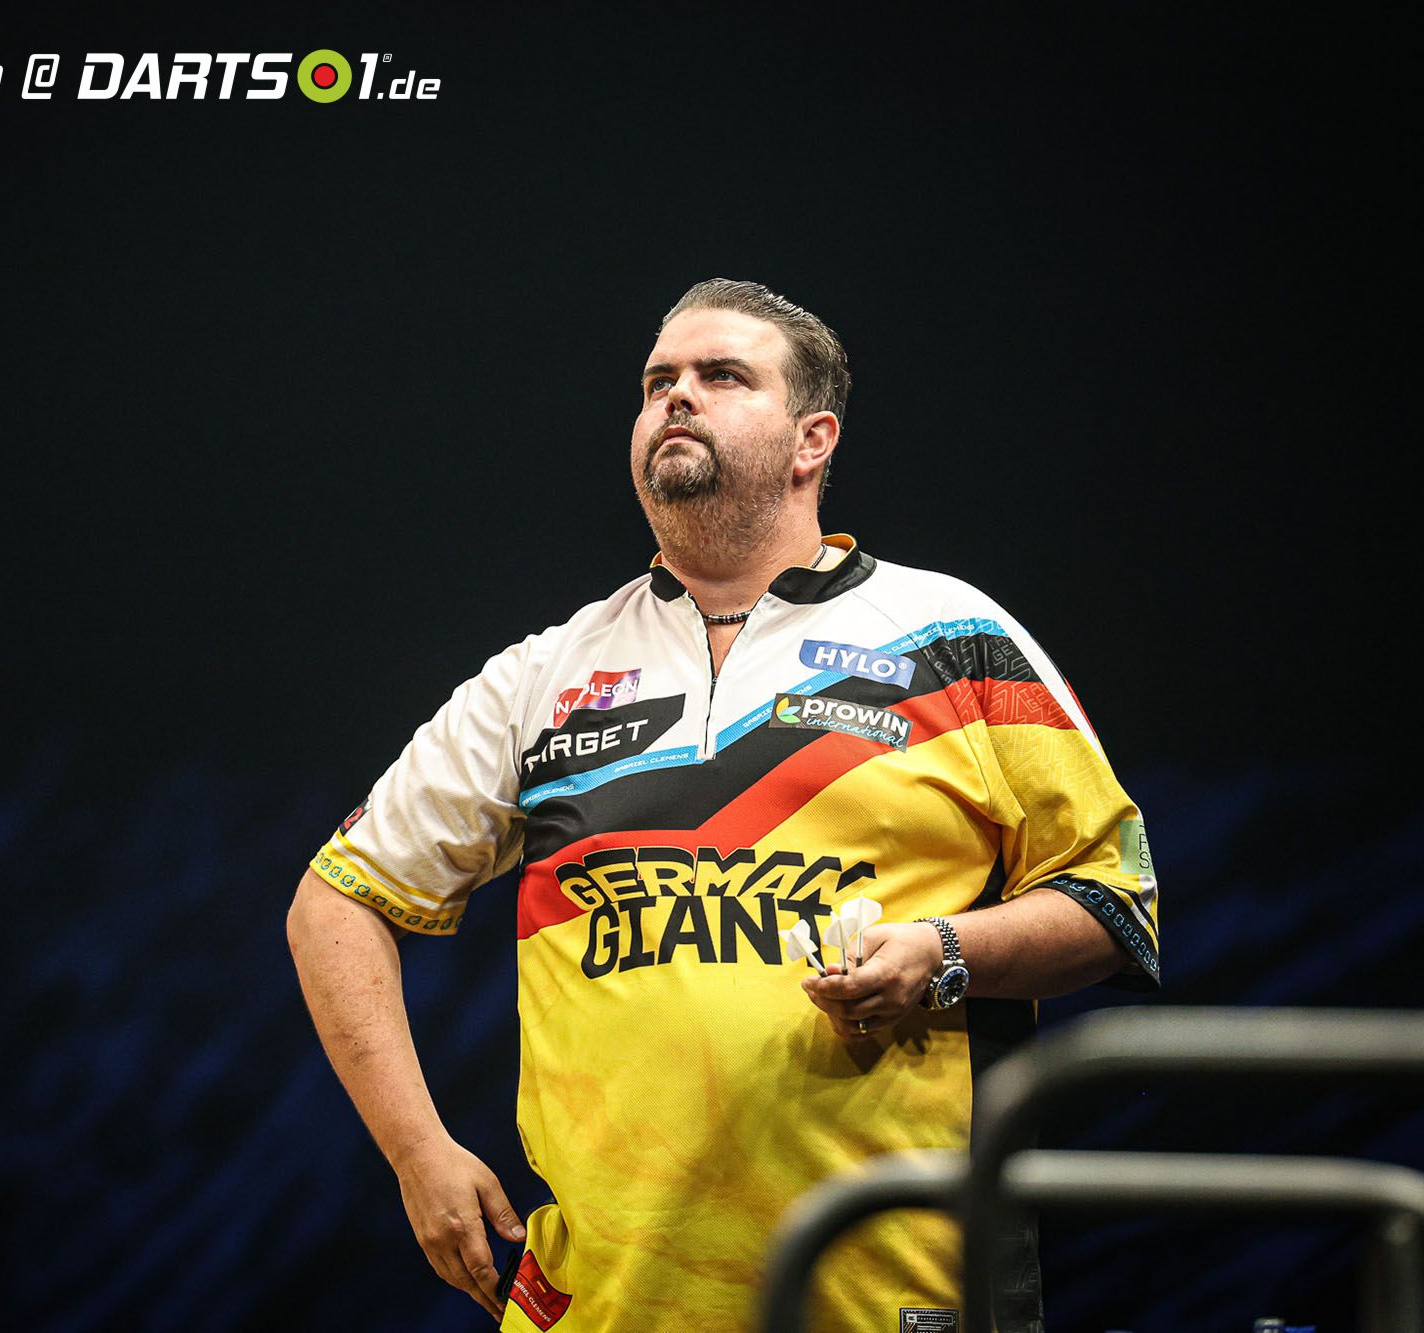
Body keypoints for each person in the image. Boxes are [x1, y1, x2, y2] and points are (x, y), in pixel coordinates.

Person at [286, 279, 1160, 1332]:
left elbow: (1116, 901)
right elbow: (335, 902)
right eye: (657, 381)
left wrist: (941, 951)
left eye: (721, 376)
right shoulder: (545, 672)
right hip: (603, 1310)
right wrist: (417, 1154)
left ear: (810, 441)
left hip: (893, 1299)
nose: (677, 396)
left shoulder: (954, 635)